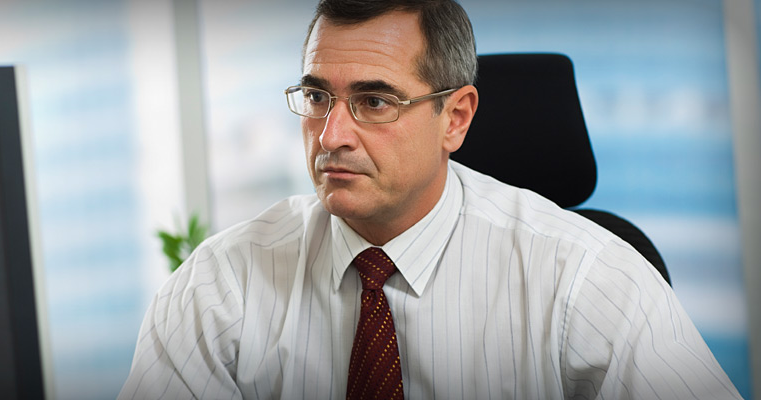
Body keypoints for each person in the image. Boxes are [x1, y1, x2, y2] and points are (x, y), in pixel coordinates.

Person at [119, 0, 741, 398]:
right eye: (316, 98)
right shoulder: (219, 284)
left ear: (456, 119)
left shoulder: (586, 279)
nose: (331, 135)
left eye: (375, 101)